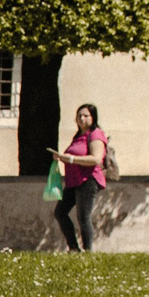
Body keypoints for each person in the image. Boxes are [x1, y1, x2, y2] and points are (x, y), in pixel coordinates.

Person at [48, 103, 110, 253]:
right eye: (79, 116)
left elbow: (96, 159)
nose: (81, 118)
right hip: (74, 181)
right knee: (60, 212)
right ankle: (74, 248)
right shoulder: (78, 136)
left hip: (88, 180)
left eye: (85, 115)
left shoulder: (95, 134)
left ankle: (88, 251)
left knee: (83, 216)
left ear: (92, 117)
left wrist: (71, 159)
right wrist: (61, 157)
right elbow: (73, 155)